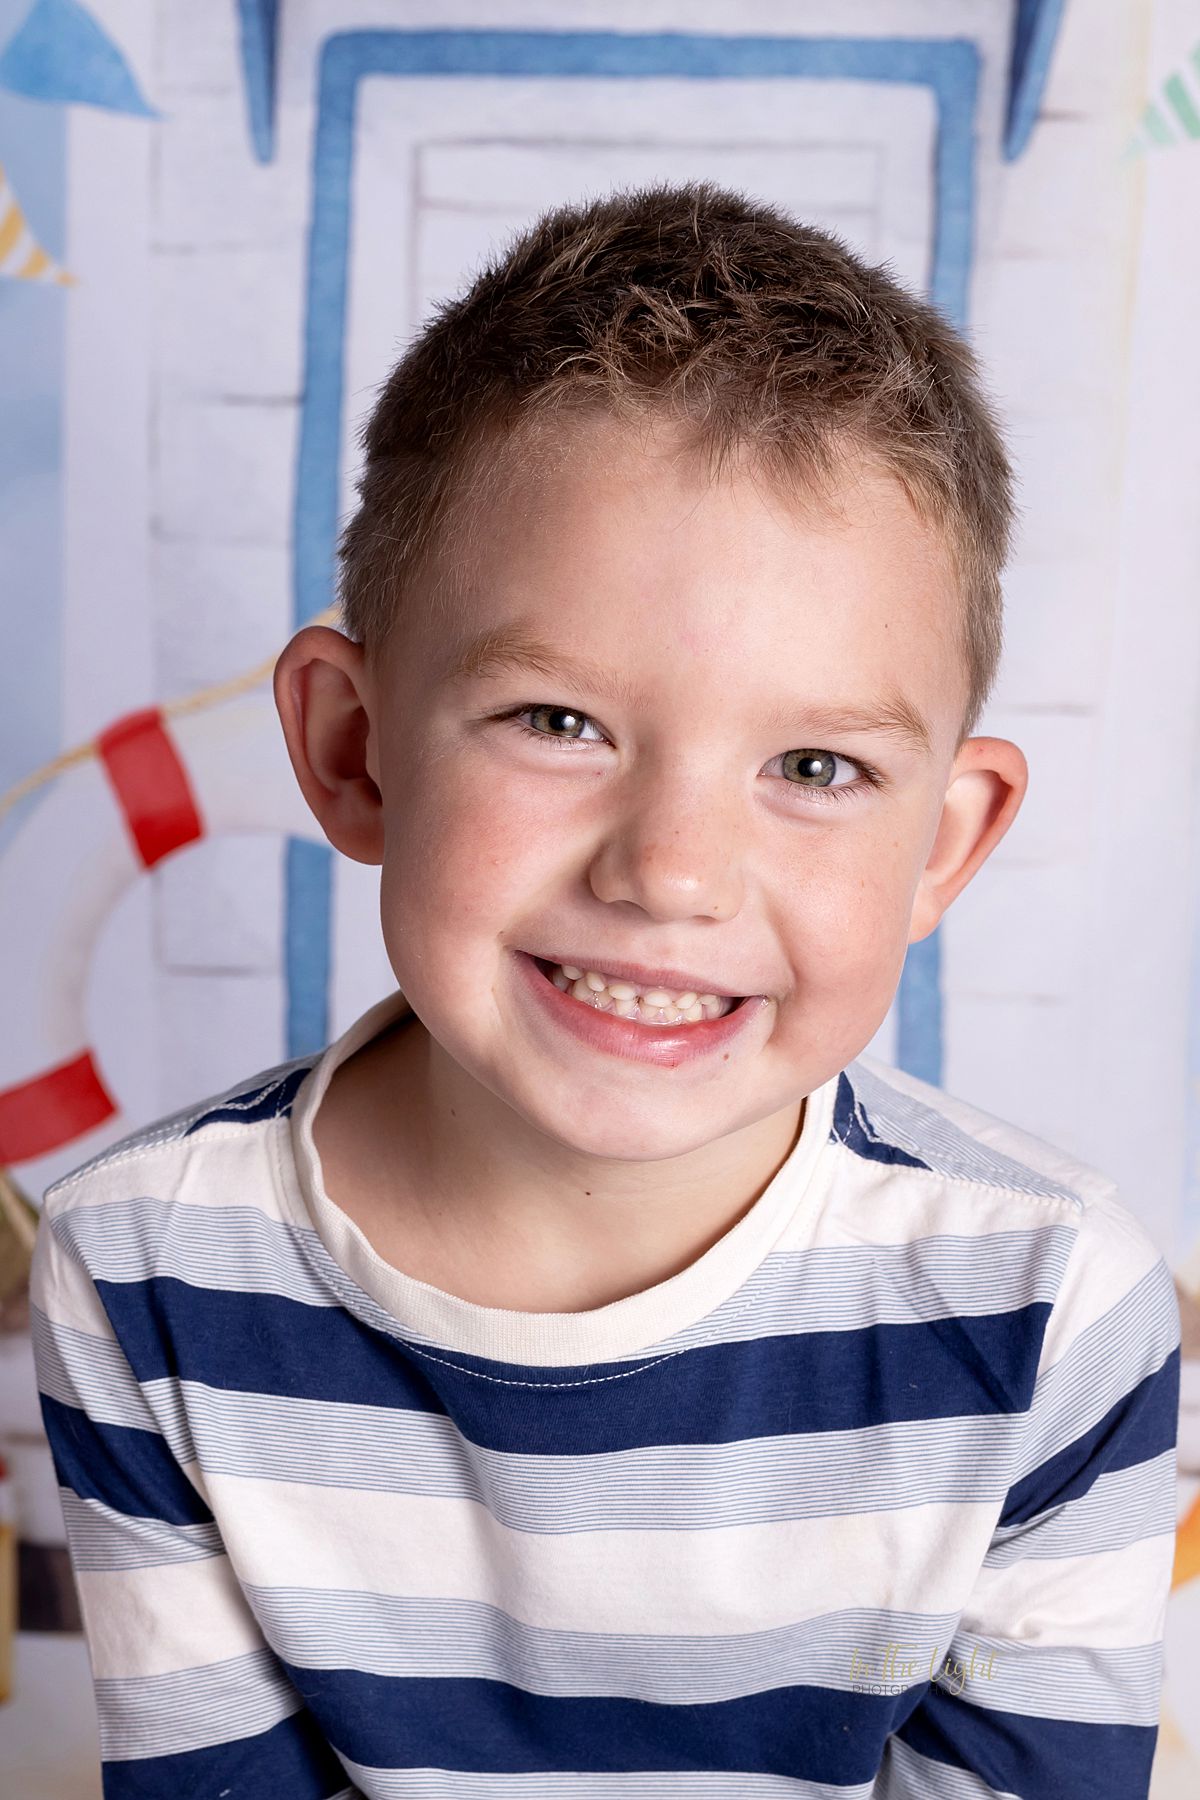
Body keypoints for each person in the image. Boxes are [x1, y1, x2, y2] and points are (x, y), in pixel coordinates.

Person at [30, 183, 1179, 1798]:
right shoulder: (146, 1267)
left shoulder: (1050, 1307)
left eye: (816, 765)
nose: (672, 873)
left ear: (945, 842)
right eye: (558, 723)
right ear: (354, 749)